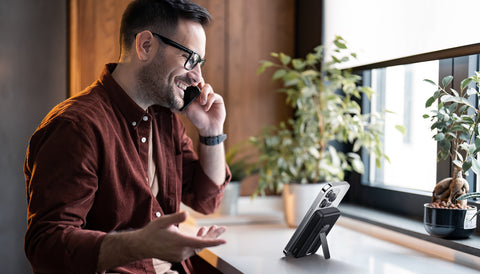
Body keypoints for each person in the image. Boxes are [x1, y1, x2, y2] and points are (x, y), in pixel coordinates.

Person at [23, 0, 231, 273]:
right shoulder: (76, 126)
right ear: (145, 46)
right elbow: (46, 246)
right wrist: (140, 245)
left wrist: (211, 131)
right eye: (190, 59)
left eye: (200, 62)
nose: (198, 77)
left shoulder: (166, 120)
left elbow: (206, 199)